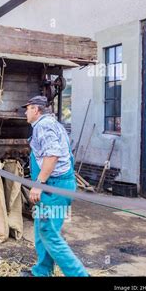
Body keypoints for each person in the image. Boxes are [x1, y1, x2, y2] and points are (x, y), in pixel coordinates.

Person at [22, 96, 89, 277]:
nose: (25, 112)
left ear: (36, 110)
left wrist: (38, 184)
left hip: (54, 187)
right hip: (54, 186)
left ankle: (79, 275)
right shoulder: (53, 124)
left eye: (27, 108)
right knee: (41, 230)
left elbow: (52, 155)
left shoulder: (43, 125)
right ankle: (42, 272)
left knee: (50, 234)